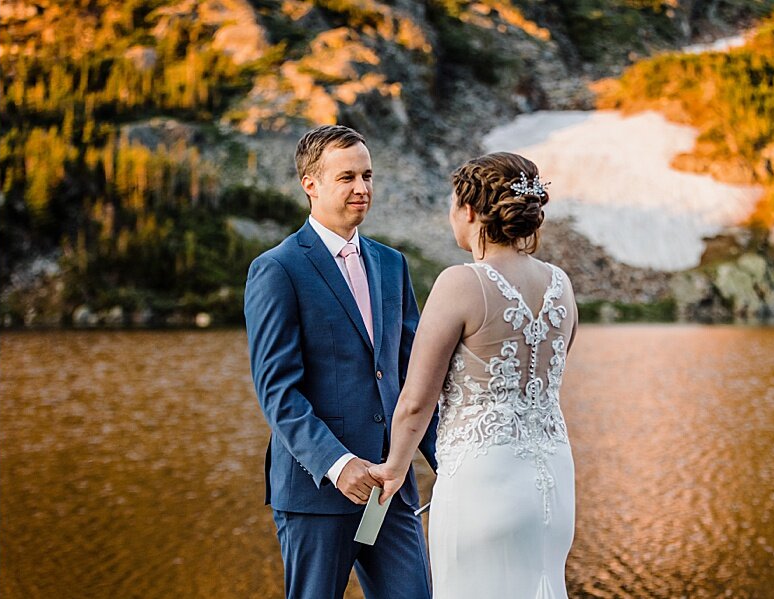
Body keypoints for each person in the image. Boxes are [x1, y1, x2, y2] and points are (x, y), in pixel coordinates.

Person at [371, 151, 580, 598]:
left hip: (484, 482)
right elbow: (544, 380)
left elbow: (416, 400)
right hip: (553, 484)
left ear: (469, 211)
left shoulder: (461, 283)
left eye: (452, 205)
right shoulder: (562, 285)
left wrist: (394, 467)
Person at [243, 124, 435, 599]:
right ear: (310, 184)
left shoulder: (393, 264)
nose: (362, 188)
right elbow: (277, 391)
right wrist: (337, 463)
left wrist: (449, 463)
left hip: (390, 489)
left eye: (368, 175)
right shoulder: (277, 269)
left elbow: (414, 377)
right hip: (317, 492)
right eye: (347, 177)